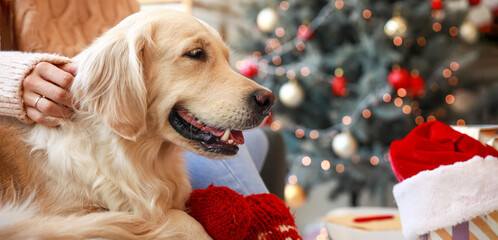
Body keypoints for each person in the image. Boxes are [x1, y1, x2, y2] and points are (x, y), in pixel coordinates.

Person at [0, 0, 269, 196]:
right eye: (196, 54)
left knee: (258, 140)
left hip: (128, 113)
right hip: (69, 123)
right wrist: (10, 76)